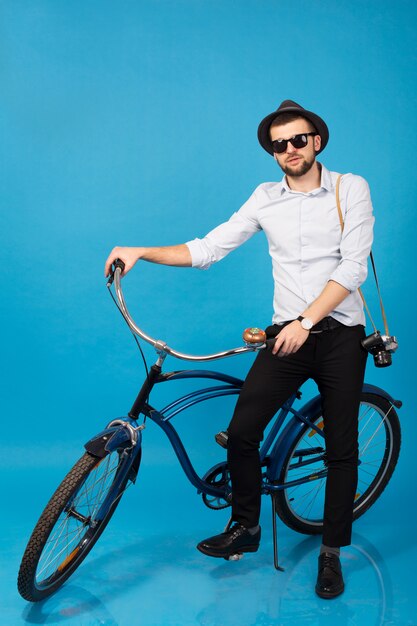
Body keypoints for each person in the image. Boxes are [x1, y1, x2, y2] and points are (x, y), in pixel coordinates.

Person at [104, 100, 374, 598]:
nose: (289, 149)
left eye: (298, 139)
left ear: (317, 141)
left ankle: (331, 552)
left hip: (338, 333)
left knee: (341, 449)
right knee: (244, 432)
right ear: (272, 153)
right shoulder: (265, 198)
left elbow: (352, 268)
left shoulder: (349, 188)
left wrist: (307, 320)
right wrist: (140, 250)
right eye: (279, 144)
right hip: (284, 333)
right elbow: (208, 248)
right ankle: (246, 526)